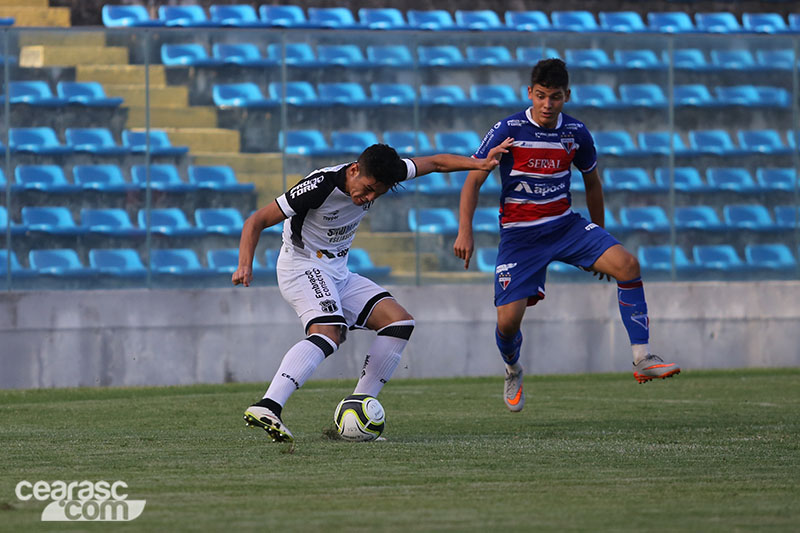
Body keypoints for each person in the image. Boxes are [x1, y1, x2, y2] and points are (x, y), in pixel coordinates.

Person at [234, 141, 511, 442]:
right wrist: (244, 266)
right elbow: (256, 221)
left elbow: (436, 163)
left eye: (377, 193)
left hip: (337, 271)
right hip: (301, 266)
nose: (368, 197)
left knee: (399, 322)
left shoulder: (385, 172)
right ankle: (269, 405)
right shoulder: (319, 186)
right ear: (354, 170)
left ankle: (358, 409)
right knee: (329, 332)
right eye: (366, 189)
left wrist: (480, 164)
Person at [453, 58, 680, 413]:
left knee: (627, 264)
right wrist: (465, 229)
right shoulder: (507, 129)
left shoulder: (575, 133)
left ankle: (642, 358)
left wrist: (600, 236)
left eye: (555, 97)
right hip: (520, 237)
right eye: (541, 96)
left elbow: (593, 184)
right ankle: (513, 369)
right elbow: (473, 179)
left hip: (565, 226)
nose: (547, 104)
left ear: (566, 96)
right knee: (508, 323)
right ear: (530, 93)